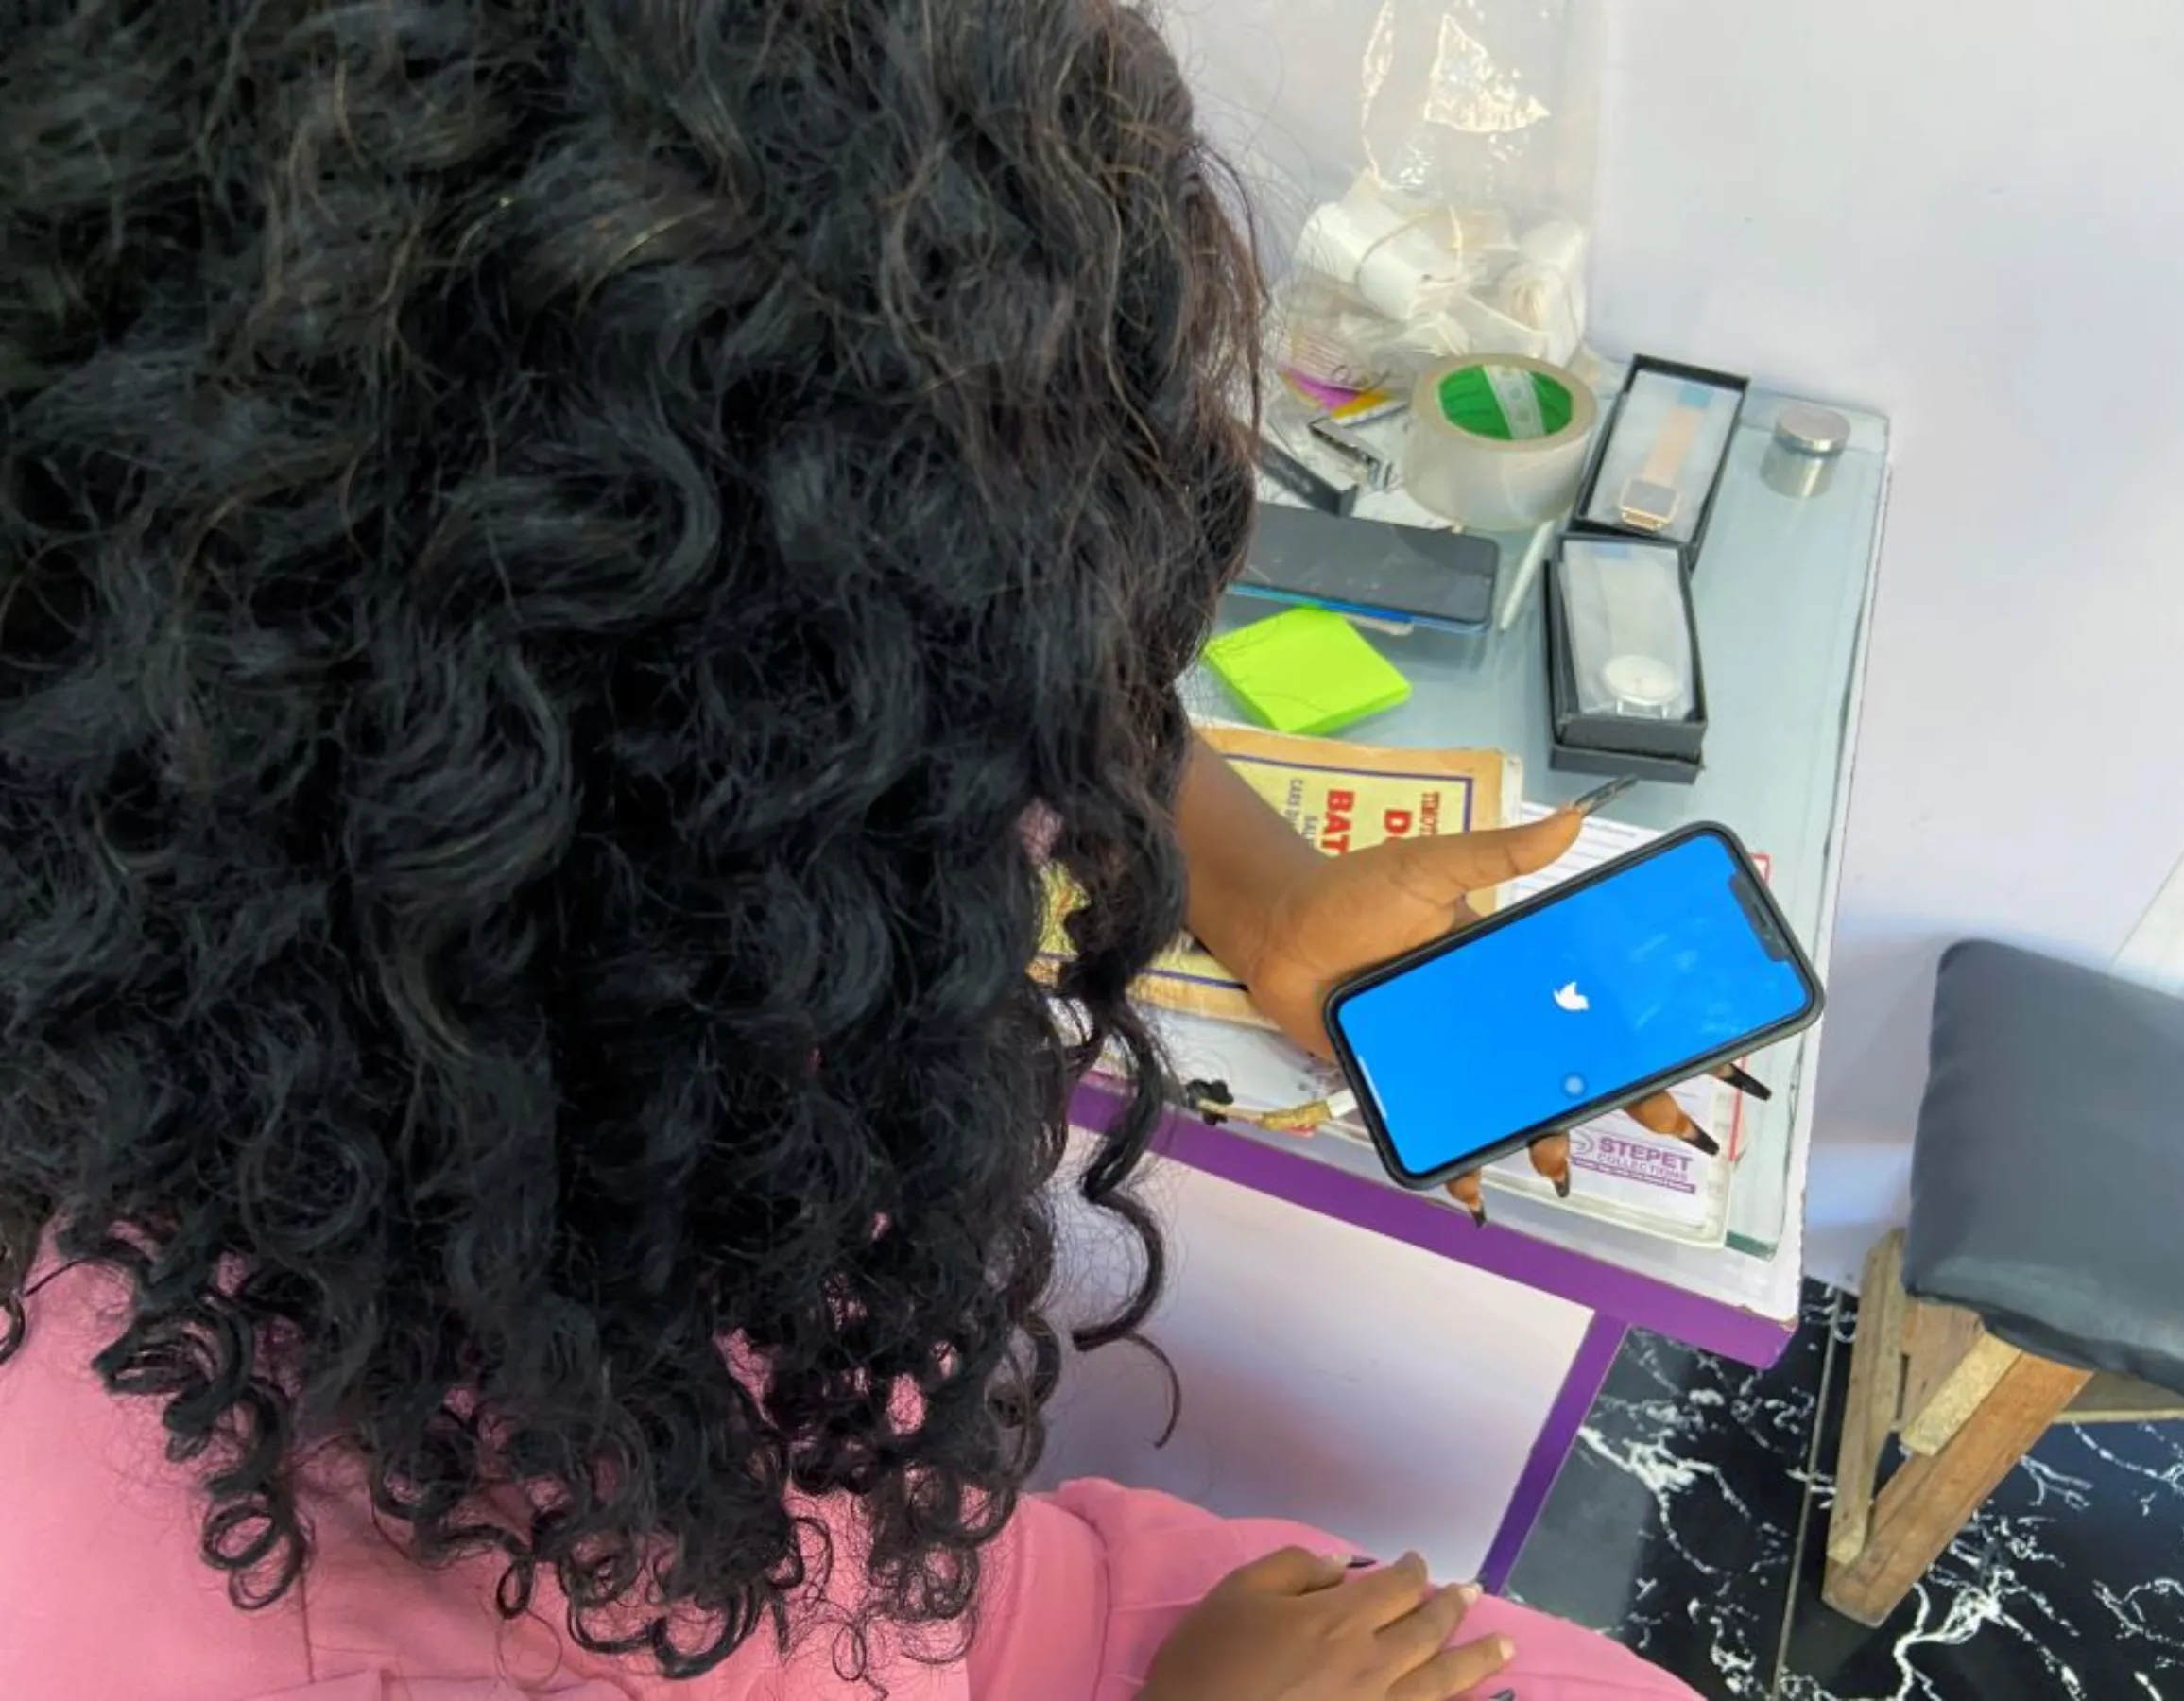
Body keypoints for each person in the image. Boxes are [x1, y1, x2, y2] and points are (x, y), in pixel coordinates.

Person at [0, 3, 1705, 1697]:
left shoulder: (665, 803)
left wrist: (1276, 895)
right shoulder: (218, 1596)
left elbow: (963, 670)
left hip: (918, 1576)